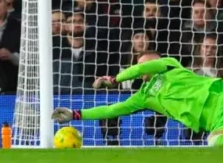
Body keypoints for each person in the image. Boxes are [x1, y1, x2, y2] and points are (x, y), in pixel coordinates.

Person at [52, 51, 223, 146]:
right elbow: (112, 109)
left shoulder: (169, 65)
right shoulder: (143, 97)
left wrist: (115, 79)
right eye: (137, 64)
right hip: (213, 122)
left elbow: (143, 69)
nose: (140, 69)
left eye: (143, 64)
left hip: (219, 98)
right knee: (214, 143)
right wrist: (75, 114)